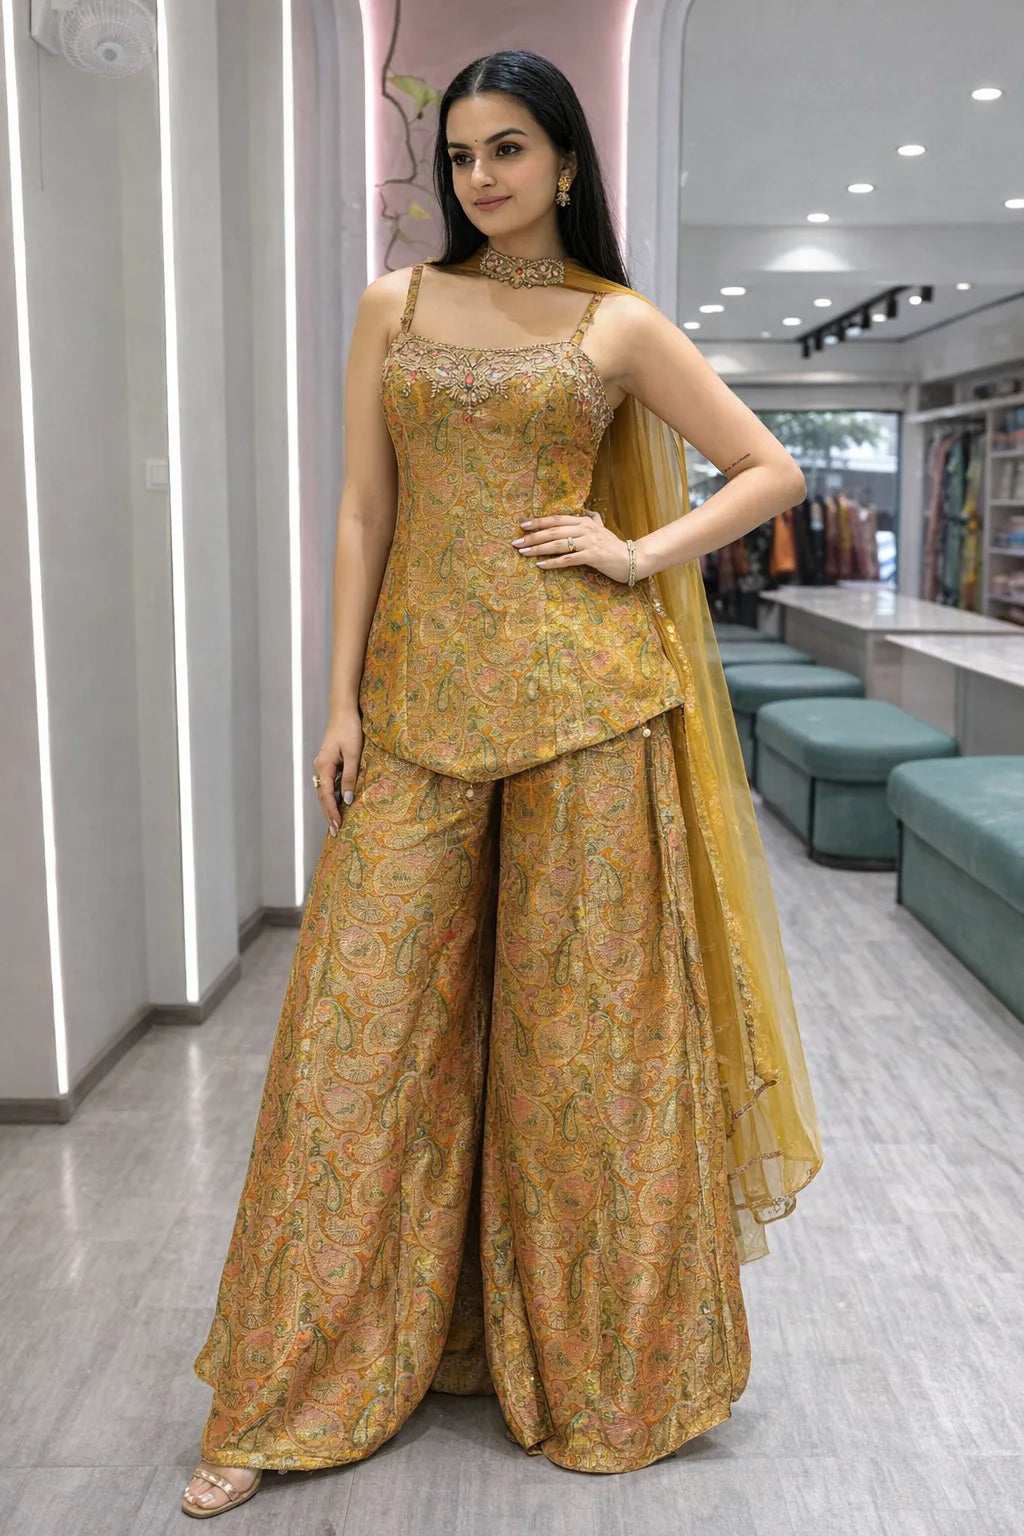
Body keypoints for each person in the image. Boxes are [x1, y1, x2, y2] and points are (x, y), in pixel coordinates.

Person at [182, 47, 823, 1517]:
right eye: (461, 153)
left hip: (591, 715)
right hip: (414, 714)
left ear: (566, 163)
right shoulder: (393, 306)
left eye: (508, 149)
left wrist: (638, 553)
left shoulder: (615, 326)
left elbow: (765, 469)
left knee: (585, 1061)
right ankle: (287, 1396)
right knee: (357, 1049)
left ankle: (611, 1372)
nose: (479, 177)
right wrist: (337, 700)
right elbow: (361, 510)